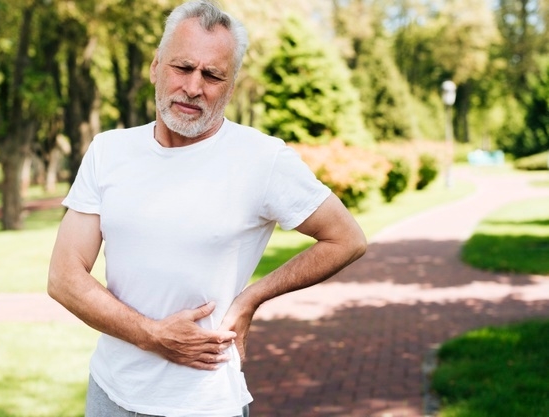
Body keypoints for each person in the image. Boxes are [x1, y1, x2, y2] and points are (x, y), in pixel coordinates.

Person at [47, 1, 367, 416]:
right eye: (182, 68)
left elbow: (347, 239)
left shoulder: (262, 159)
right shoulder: (110, 150)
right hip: (110, 392)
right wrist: (152, 334)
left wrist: (251, 298)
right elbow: (64, 276)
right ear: (155, 68)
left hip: (205, 401)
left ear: (230, 86)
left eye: (212, 75)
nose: (194, 87)